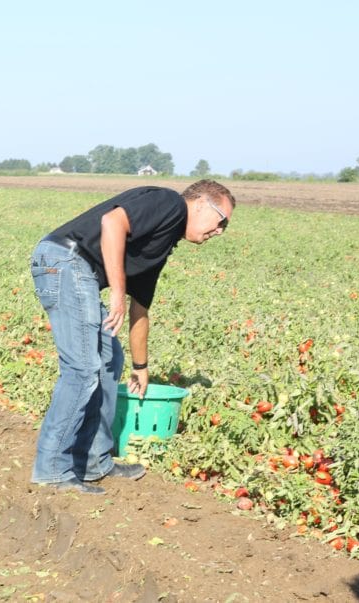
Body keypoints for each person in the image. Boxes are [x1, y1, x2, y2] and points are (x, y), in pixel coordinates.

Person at [30, 180, 235, 494]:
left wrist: (141, 366)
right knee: (83, 369)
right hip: (65, 262)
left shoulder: (160, 244)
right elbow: (112, 222)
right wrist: (116, 291)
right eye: (222, 220)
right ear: (201, 204)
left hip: (74, 270)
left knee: (111, 359)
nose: (220, 231)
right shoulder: (170, 204)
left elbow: (140, 310)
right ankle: (53, 470)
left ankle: (93, 461)